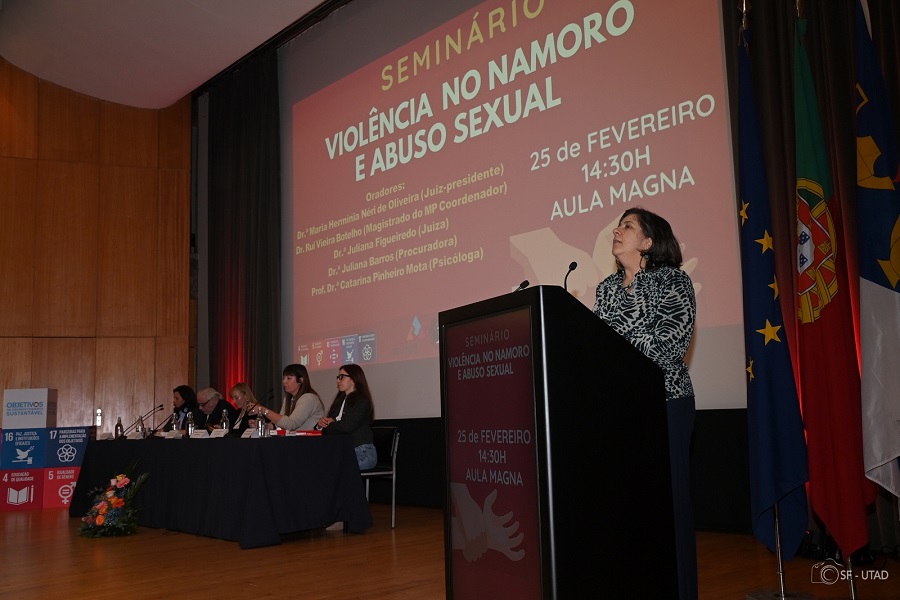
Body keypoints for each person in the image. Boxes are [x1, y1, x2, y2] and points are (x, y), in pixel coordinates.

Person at [592, 207, 697, 600]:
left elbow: (669, 347)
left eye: (628, 226)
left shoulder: (674, 281)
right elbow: (597, 348)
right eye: (618, 226)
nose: (617, 231)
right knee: (628, 512)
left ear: (649, 242)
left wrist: (616, 339)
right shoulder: (606, 289)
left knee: (670, 508)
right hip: (621, 412)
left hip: (666, 404)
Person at [317, 364, 377, 470]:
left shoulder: (362, 402)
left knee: (332, 469)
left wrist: (330, 423)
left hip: (362, 452)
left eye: (341, 377)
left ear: (353, 379)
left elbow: (346, 427)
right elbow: (331, 427)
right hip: (344, 450)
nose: (338, 380)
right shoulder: (340, 400)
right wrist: (321, 425)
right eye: (338, 377)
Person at [251, 364, 324, 431]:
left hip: (310, 440)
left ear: (300, 380)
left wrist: (263, 410)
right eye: (284, 378)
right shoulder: (287, 399)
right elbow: (281, 425)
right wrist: (263, 426)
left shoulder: (308, 398)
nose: (284, 381)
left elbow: (291, 424)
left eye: (289, 378)